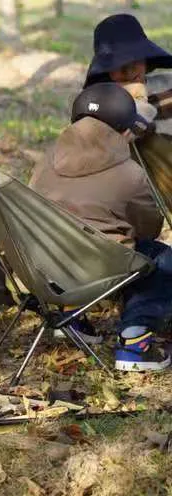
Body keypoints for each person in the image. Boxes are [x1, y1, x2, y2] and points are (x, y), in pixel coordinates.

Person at [30, 82, 172, 371]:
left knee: (73, 244)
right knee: (161, 258)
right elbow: (149, 228)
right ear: (124, 132)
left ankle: (73, 319)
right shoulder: (130, 174)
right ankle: (135, 342)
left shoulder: (45, 162)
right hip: (103, 270)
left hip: (45, 267)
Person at [85, 14, 172, 131]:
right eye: (118, 64)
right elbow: (86, 108)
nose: (129, 71)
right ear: (106, 70)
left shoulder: (168, 85)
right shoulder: (95, 100)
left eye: (135, 59)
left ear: (146, 58)